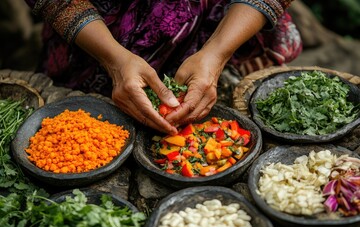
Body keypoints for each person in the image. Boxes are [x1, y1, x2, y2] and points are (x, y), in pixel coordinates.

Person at [23, 0, 302, 135]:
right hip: (96, 30)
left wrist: (217, 54)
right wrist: (114, 61)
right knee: (85, 118)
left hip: (222, 18)